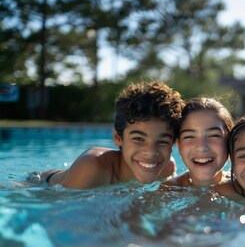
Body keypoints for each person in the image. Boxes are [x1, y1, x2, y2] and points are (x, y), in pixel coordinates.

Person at [35, 81, 184, 189]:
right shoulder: (92, 166)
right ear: (118, 138)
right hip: (42, 182)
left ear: (174, 144)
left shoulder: (167, 168)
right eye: (138, 139)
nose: (151, 152)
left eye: (162, 142)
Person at [166, 97, 234, 188]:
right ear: (179, 146)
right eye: (189, 136)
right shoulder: (168, 192)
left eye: (213, 136)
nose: (201, 147)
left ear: (230, 143)